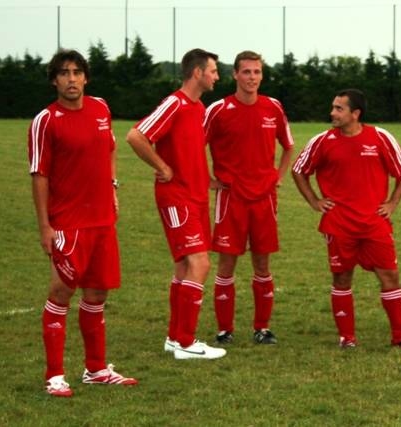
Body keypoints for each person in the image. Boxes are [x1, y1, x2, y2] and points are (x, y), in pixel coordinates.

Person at [28, 49, 137, 397]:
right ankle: (54, 375)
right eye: (64, 73)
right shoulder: (46, 120)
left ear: (86, 77)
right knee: (61, 292)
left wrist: (113, 186)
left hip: (103, 220)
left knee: (97, 293)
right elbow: (39, 175)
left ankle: (96, 369)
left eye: (77, 72)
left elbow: (110, 149)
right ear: (54, 80)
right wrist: (45, 227)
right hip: (68, 223)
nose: (71, 78)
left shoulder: (101, 108)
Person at [291, 89, 401, 349]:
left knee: (390, 276)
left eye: (339, 108)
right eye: (333, 107)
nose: (332, 113)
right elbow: (298, 171)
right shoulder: (322, 141)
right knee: (342, 278)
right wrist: (314, 201)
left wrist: (392, 203)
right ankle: (347, 338)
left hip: (374, 223)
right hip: (339, 224)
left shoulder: (380, 137)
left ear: (355, 113)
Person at [126, 48, 226, 359]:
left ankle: (174, 338)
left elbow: (188, 149)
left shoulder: (198, 108)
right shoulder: (175, 103)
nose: (216, 76)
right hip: (177, 197)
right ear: (197, 73)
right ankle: (185, 342)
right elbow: (136, 136)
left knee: (185, 265)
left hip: (196, 196)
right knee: (200, 264)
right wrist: (162, 166)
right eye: (213, 71)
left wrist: (205, 178)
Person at [203, 50, 294, 345]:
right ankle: (225, 330)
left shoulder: (273, 107)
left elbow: (288, 146)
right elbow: (193, 145)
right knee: (226, 265)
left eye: (257, 72)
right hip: (232, 197)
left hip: (264, 198)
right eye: (246, 72)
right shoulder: (218, 109)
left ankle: (262, 328)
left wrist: (277, 177)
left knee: (262, 265)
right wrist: (208, 179)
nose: (252, 77)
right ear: (235, 74)